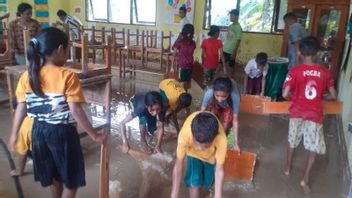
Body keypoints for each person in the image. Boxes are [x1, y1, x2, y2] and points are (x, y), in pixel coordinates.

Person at [7, 27, 107, 198]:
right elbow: (76, 111)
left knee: (54, 177)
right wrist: (95, 135)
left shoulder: (27, 75)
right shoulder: (67, 76)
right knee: (72, 180)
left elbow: (21, 108)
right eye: (67, 48)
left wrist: (14, 135)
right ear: (61, 49)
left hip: (37, 133)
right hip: (62, 134)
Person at [282, 36, 336, 193]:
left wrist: (296, 98)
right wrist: (322, 97)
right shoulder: (325, 73)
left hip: (297, 112)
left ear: (299, 52)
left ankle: (287, 168)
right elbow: (333, 95)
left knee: (292, 142)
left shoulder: (294, 71)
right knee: (313, 147)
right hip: (315, 115)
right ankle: (305, 180)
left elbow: (285, 93)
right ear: (318, 53)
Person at [171, 111, 227, 198]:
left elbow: (219, 170)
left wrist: (218, 195)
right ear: (192, 135)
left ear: (214, 139)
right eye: (196, 144)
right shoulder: (185, 134)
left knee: (208, 184)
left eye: (204, 147)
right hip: (193, 155)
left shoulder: (221, 139)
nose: (199, 149)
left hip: (210, 157)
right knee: (194, 181)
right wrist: (174, 195)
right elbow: (178, 165)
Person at [201, 76, 240, 151]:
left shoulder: (235, 96)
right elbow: (201, 113)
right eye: (217, 95)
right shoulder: (209, 92)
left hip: (229, 105)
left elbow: (235, 120)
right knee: (211, 118)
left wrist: (236, 143)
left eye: (223, 96)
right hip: (215, 104)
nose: (219, 99)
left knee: (227, 124)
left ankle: (221, 141)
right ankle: (212, 139)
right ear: (213, 92)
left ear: (229, 93)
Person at [9, 97, 34, 177]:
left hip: (43, 152)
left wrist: (19, 171)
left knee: (23, 148)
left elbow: (22, 154)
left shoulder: (23, 127)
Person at [171, 24, 196, 91]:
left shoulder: (180, 42)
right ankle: (183, 97)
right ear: (190, 33)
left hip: (184, 66)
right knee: (186, 84)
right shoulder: (193, 43)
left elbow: (173, 55)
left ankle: (183, 97)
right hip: (188, 65)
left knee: (183, 83)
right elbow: (174, 55)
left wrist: (172, 67)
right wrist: (172, 67)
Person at [223, 9, 242, 74]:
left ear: (237, 17)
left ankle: (230, 81)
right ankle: (216, 80)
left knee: (231, 67)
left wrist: (234, 52)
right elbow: (228, 38)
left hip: (231, 51)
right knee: (220, 65)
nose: (230, 17)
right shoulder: (230, 26)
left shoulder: (239, 28)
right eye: (230, 16)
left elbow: (238, 41)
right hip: (225, 49)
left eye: (232, 16)